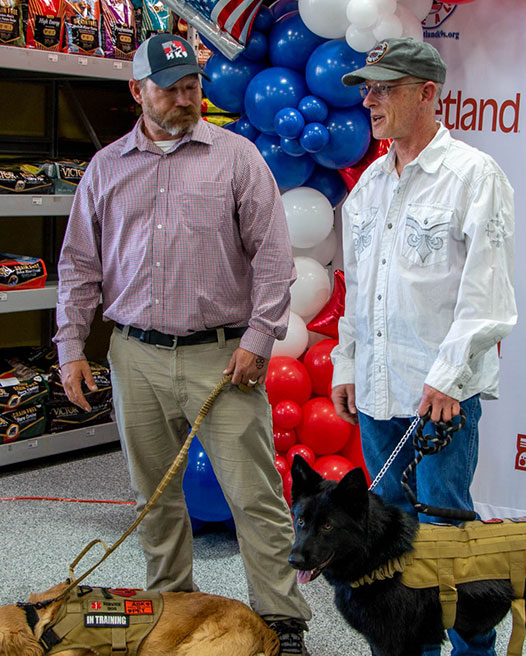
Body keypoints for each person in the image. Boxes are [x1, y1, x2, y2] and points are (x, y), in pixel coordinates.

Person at [53, 33, 311, 656]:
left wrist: (259, 339)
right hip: (134, 354)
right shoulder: (106, 168)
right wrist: (70, 348)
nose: (185, 98)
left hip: (223, 358)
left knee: (255, 497)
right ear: (137, 91)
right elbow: (79, 266)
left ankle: (283, 621)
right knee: (155, 500)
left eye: (192, 86)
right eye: (169, 89)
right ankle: (170, 609)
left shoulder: (237, 158)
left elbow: (275, 260)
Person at [330, 38, 517, 656]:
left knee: (446, 538)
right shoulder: (368, 187)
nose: (369, 100)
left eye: (384, 88)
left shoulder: (473, 175)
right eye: (367, 89)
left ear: (427, 93)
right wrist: (346, 363)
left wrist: (448, 376)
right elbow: (357, 289)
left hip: (441, 398)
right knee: (388, 541)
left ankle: (474, 651)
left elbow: (487, 296)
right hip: (378, 392)